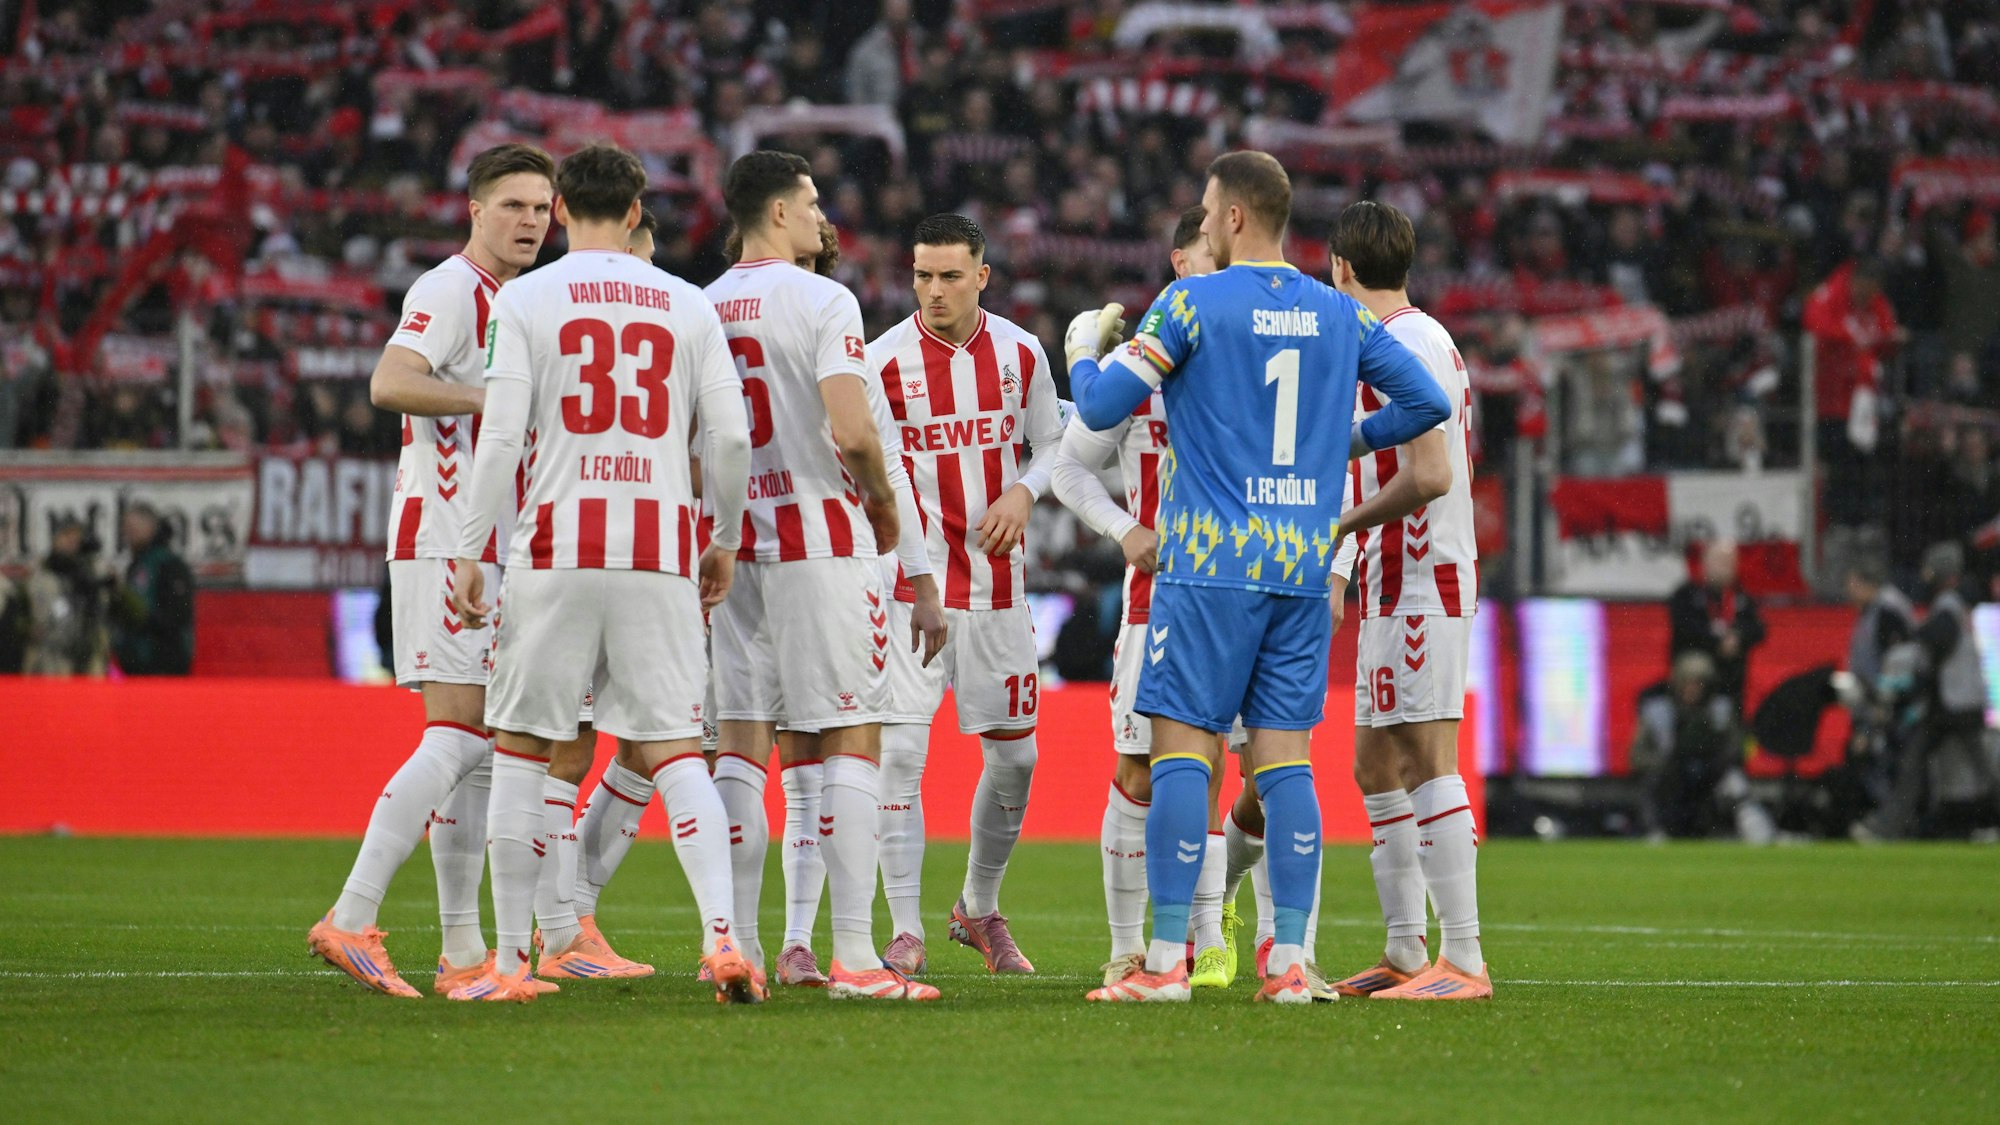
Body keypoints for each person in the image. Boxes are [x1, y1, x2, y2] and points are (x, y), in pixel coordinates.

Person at [1067, 151, 1449, 1003]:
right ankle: (1287, 964)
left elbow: (1096, 411)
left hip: (1209, 565)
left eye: (1206, 211)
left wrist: (1083, 355)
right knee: (1285, 764)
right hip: (1303, 566)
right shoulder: (1336, 311)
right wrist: (1343, 442)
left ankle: (1165, 962)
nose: (1202, 224)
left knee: (1181, 755)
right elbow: (1428, 405)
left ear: (1234, 217)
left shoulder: (1192, 302)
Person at [446, 143, 756, 1003]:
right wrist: (721, 535)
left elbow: (501, 437)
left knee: (522, 750)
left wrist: (472, 548)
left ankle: (511, 962)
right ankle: (724, 939)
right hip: (659, 552)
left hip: (554, 551)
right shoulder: (688, 304)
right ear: (633, 213)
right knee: (673, 750)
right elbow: (728, 441)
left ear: (557, 210)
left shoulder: (524, 297)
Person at [308, 143, 586, 1000]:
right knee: (461, 734)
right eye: (513, 206)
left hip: (494, 547)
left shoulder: (520, 298)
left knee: (482, 751)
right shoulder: (450, 289)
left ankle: (464, 952)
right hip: (446, 539)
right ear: (473, 209)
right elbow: (390, 381)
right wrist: (493, 397)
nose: (531, 222)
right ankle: (352, 915)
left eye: (542, 208)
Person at [701, 150, 942, 1000]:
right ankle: (853, 957)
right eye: (809, 203)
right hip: (822, 542)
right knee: (850, 736)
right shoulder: (823, 299)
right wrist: (880, 504)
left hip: (734, 550)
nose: (818, 215)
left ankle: (733, 944)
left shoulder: (702, 307)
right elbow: (856, 430)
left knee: (742, 741)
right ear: (776, 213)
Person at [1049, 205, 1245, 991]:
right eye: (1211, 258)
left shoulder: (1247, 354)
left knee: (1208, 773)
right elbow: (1068, 468)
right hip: (1152, 604)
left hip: (1233, 592)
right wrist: (1126, 529)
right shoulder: (1142, 364)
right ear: (1179, 262)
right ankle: (1129, 946)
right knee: (1139, 771)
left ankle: (1208, 941)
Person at [867, 213, 1067, 977]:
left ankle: (977, 907)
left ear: (982, 275)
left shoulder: (1020, 352)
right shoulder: (881, 361)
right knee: (902, 753)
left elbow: (1052, 442)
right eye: (922, 274)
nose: (934, 289)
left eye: (950, 275)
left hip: (998, 592)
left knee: (1018, 759)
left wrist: (1024, 489)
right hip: (909, 594)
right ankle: (903, 926)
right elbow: (873, 473)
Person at [1318, 200, 1489, 1001]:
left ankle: (1465, 957)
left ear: (1341, 269)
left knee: (1426, 755)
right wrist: (1350, 560)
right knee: (1375, 761)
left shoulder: (1409, 342)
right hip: (1391, 575)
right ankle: (1405, 950)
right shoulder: (1398, 342)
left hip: (1425, 573)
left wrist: (1339, 525)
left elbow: (1429, 474)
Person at [1858, 542, 2000, 839]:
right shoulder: (1957, 603)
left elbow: (1937, 640)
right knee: (1971, 768)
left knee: (1973, 769)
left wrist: (1916, 640)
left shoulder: (1948, 605)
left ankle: (1887, 828)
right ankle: (1888, 827)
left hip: (1956, 702)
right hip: (1954, 702)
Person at [1667, 539, 1766, 713]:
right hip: (1695, 659)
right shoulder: (1687, 594)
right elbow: (1684, 626)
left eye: (1729, 562)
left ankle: (1733, 725)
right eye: (1719, 561)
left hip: (1730, 666)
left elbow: (1758, 628)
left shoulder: (1740, 597)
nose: (1724, 567)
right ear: (1705, 563)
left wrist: (1738, 638)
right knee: (1698, 668)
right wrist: (1717, 641)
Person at [108, 503, 194, 675]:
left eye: (132, 528)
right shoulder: (137, 564)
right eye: (125, 529)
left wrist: (137, 610)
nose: (127, 534)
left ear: (150, 527)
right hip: (135, 664)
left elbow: (177, 616)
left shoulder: (169, 565)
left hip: (163, 663)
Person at [24, 515, 110, 676]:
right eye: (65, 535)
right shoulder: (42, 574)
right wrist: (27, 629)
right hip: (52, 656)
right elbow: (23, 613)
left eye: (76, 536)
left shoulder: (94, 571)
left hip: (89, 654)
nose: (71, 541)